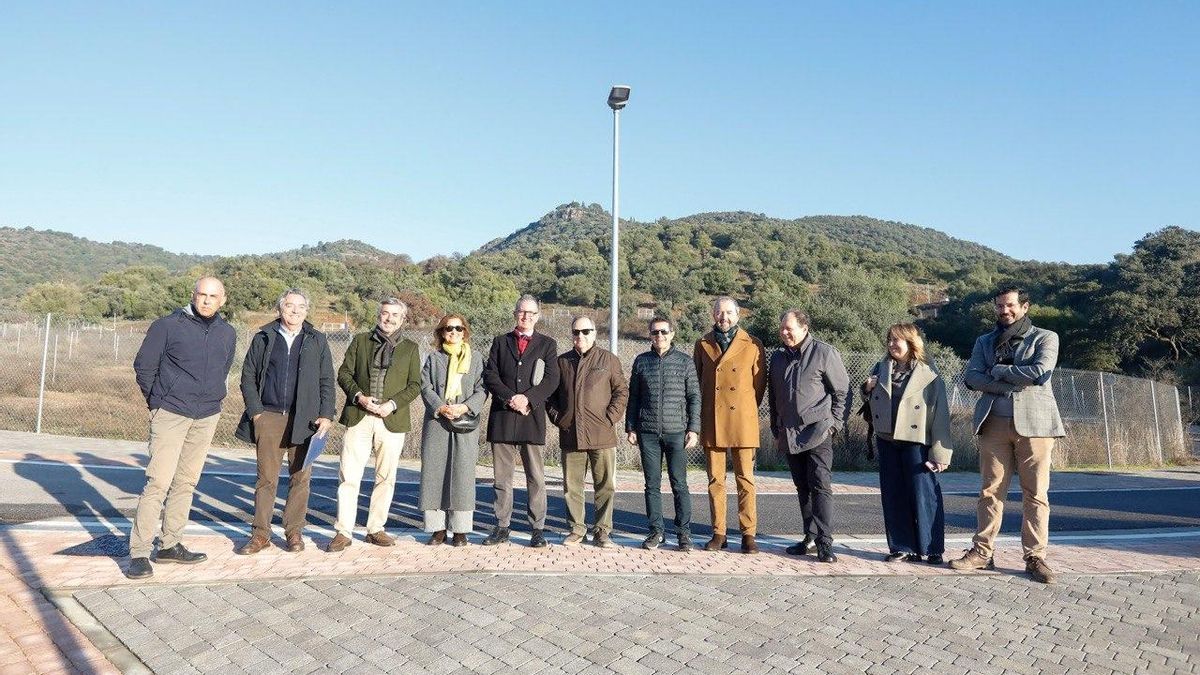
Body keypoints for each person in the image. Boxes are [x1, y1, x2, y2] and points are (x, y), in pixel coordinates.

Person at [951, 286, 1065, 584]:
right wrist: (1006, 383)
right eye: (1000, 306)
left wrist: (999, 370)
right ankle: (982, 553)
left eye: (1011, 305)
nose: (1005, 311)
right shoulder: (984, 341)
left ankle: (1035, 557)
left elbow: (1040, 372)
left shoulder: (1046, 337)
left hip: (1036, 426)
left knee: (1036, 493)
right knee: (990, 491)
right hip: (993, 424)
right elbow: (972, 377)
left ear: (1024, 307)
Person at [127, 276, 237, 579]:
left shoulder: (227, 333)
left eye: (213, 296)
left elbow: (223, 370)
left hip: (206, 416)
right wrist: (157, 403)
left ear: (222, 300)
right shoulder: (167, 325)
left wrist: (215, 398)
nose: (206, 301)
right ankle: (139, 552)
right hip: (171, 413)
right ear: (193, 295)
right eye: (201, 294)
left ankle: (170, 544)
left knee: (186, 482)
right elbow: (144, 366)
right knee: (158, 482)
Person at [234, 288, 335, 555]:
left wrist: (326, 414)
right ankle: (260, 535)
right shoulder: (264, 337)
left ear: (307, 310)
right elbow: (248, 376)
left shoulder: (317, 340)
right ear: (280, 308)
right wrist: (256, 413)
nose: (295, 311)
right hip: (269, 417)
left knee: (300, 478)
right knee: (266, 479)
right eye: (290, 306)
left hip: (306, 420)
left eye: (301, 306)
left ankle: (294, 533)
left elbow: (327, 379)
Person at [327, 298, 421, 552]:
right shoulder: (360, 341)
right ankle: (343, 531)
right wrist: (359, 396)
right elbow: (344, 373)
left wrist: (392, 404)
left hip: (391, 419)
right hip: (359, 416)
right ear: (378, 315)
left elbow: (415, 385)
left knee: (385, 478)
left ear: (402, 319)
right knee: (349, 475)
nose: (388, 318)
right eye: (384, 313)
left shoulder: (411, 348)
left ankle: (375, 529)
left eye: (394, 315)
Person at [862, 323, 952, 564]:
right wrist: (867, 389)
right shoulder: (881, 368)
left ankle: (932, 549)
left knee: (925, 496)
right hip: (887, 440)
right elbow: (872, 402)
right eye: (890, 339)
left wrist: (940, 454)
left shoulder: (928, 373)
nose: (892, 344)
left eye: (897, 340)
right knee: (893, 495)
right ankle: (902, 547)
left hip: (917, 443)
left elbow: (941, 414)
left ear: (912, 343)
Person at [768, 309, 850, 563]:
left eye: (789, 328)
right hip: (789, 433)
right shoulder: (778, 358)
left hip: (818, 432)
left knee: (820, 486)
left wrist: (834, 424)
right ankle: (810, 537)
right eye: (782, 328)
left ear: (804, 328)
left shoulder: (825, 353)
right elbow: (773, 397)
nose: (784, 332)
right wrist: (776, 426)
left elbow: (843, 393)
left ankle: (825, 543)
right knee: (802, 487)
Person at [481, 295, 560, 548]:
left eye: (531, 313)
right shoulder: (500, 342)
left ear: (538, 315)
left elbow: (551, 380)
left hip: (531, 417)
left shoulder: (548, 344)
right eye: (522, 312)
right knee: (501, 478)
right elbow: (490, 375)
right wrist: (509, 398)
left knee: (535, 477)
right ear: (515, 313)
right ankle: (502, 526)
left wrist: (527, 400)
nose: (526, 316)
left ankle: (537, 528)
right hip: (503, 417)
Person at [694, 296, 767, 553]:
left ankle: (748, 534)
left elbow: (759, 386)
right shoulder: (702, 343)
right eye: (719, 312)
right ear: (713, 315)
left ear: (738, 315)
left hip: (742, 421)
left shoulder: (754, 344)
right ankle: (719, 532)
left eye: (728, 312)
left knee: (745, 480)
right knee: (715, 480)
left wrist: (744, 409)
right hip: (713, 419)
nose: (723, 317)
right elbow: (699, 382)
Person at [548, 316, 629, 547]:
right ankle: (576, 529)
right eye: (576, 332)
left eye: (585, 331)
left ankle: (602, 532)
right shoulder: (561, 362)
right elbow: (550, 397)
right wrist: (558, 418)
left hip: (601, 435)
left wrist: (610, 418)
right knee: (571, 486)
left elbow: (621, 392)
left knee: (605, 486)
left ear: (594, 333)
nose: (580, 336)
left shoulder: (608, 360)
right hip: (571, 435)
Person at [626, 317, 701, 551]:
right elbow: (634, 397)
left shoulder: (685, 362)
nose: (659, 336)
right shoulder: (641, 362)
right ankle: (656, 531)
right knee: (651, 485)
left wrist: (694, 428)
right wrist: (630, 427)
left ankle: (683, 533)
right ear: (650, 335)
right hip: (647, 432)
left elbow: (694, 397)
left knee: (679, 484)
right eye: (655, 332)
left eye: (664, 332)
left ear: (672, 334)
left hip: (676, 432)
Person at [418, 314, 487, 546]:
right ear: (441, 332)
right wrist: (440, 407)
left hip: (465, 422)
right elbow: (425, 386)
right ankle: (437, 529)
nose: (454, 332)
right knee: (434, 473)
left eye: (458, 328)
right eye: (449, 328)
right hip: (437, 422)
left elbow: (482, 388)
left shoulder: (476, 359)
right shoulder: (433, 358)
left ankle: (460, 530)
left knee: (462, 475)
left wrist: (465, 407)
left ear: (465, 331)